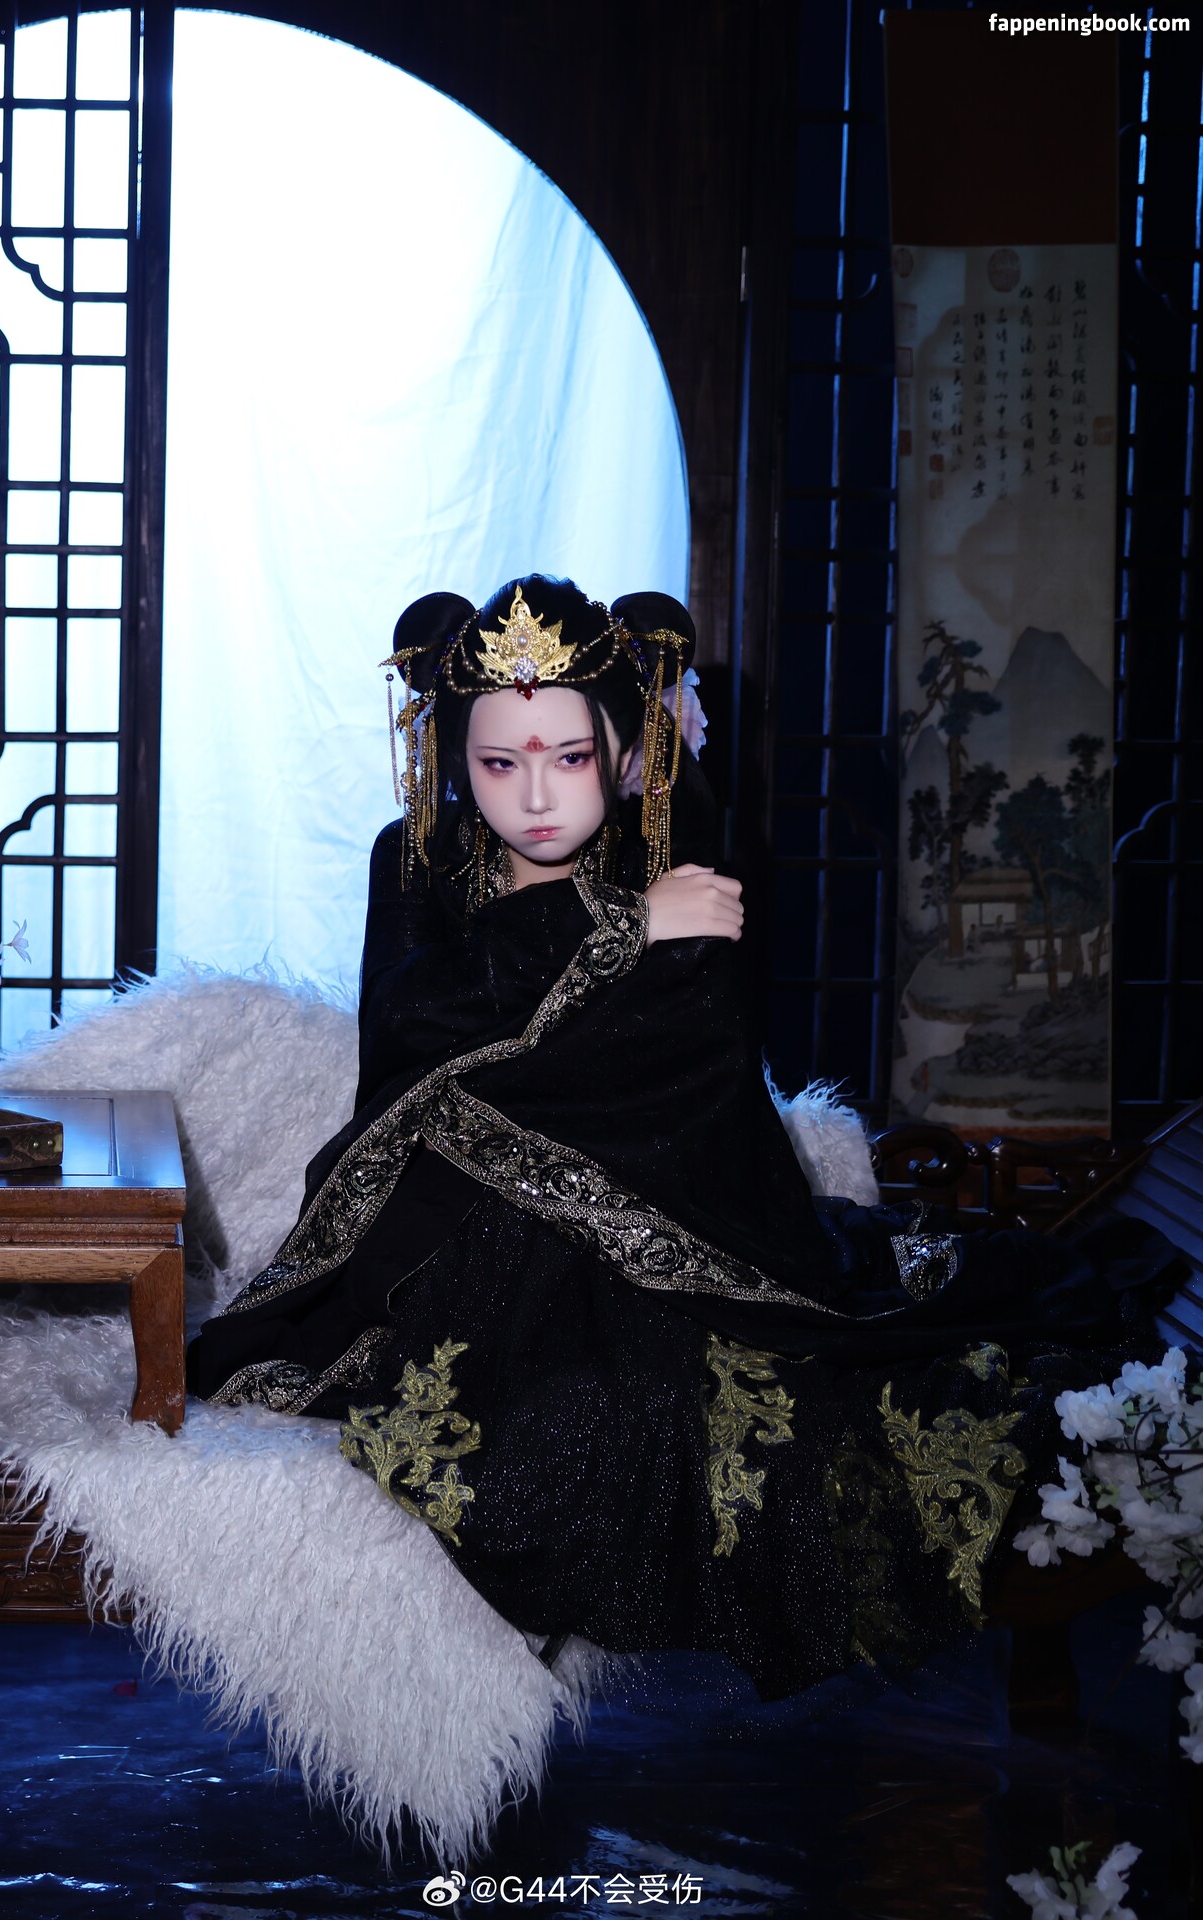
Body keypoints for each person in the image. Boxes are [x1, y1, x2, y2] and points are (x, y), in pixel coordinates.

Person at [186, 574, 1178, 1704]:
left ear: (622, 748)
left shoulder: (674, 851)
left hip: (666, 1208)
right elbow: (409, 1027)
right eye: (498, 763)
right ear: (454, 758)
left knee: (711, 1415)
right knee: (507, 1403)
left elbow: (675, 1076)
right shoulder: (416, 856)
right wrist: (616, 932)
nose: (535, 797)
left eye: (569, 756)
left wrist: (527, 1024)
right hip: (451, 1220)